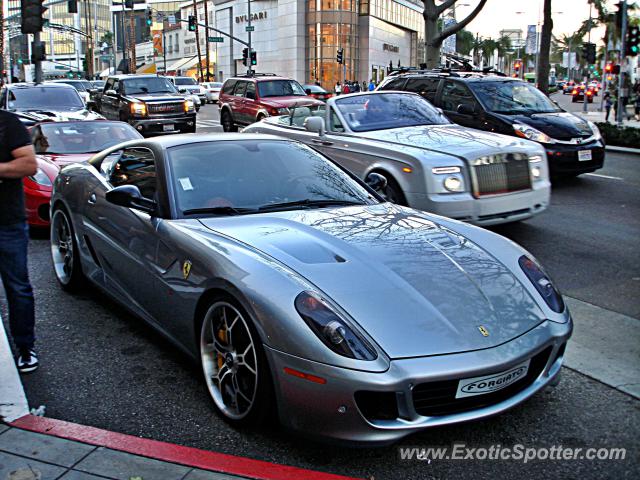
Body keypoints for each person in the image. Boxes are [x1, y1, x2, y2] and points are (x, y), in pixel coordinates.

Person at [0, 110, 38, 373]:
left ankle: (25, 348)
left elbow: (29, 165)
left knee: (18, 288)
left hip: (7, 222)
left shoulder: (7, 123)